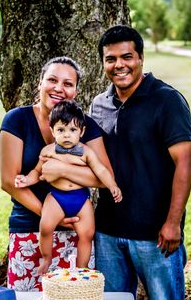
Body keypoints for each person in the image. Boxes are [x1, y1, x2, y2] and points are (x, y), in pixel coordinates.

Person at [89, 25, 191, 300]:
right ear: (103, 62)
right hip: (108, 232)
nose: (119, 65)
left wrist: (173, 222)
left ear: (141, 58)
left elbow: (185, 163)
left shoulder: (167, 100)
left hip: (156, 234)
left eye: (127, 57)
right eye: (111, 59)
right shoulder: (98, 105)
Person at [0, 56, 113, 291]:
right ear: (40, 83)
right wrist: (50, 217)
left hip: (78, 231)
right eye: (52, 80)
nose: (59, 88)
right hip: (30, 230)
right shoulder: (17, 120)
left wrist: (61, 169)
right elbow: (9, 182)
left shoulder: (85, 126)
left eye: (68, 83)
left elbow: (105, 177)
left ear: (75, 91)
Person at [14, 100, 122, 275]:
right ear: (52, 131)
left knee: (87, 234)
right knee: (46, 226)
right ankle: (47, 258)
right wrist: (26, 180)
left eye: (72, 130)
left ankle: (81, 269)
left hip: (80, 198)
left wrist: (112, 185)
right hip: (56, 197)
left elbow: (101, 169)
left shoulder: (86, 151)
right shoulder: (48, 151)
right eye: (61, 130)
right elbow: (37, 171)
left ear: (82, 131)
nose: (66, 135)